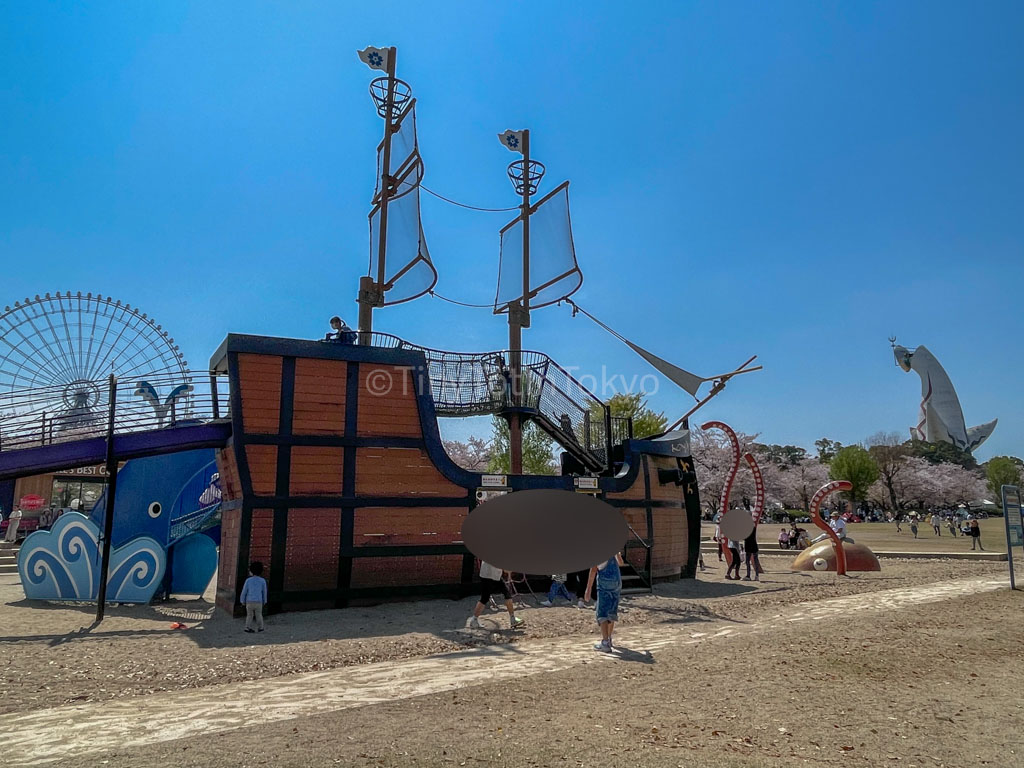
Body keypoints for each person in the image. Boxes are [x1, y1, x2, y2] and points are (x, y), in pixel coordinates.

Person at [469, 561, 525, 629]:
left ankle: (474, 620)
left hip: (487, 574)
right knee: (506, 594)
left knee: (485, 597)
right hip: (492, 575)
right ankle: (513, 620)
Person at [586, 552, 624, 652]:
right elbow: (621, 563)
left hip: (604, 584)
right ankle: (609, 638)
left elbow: (593, 570)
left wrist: (588, 589)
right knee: (612, 611)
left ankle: (605, 642)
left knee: (602, 613)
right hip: (616, 583)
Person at [239, 561, 267, 633]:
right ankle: (261, 627)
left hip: (249, 601)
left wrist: (242, 600)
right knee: (259, 615)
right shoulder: (262, 581)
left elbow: (244, 591)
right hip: (259, 601)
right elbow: (264, 592)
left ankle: (247, 627)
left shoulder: (248, 581)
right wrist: (265, 600)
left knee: (249, 615)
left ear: (251, 571)